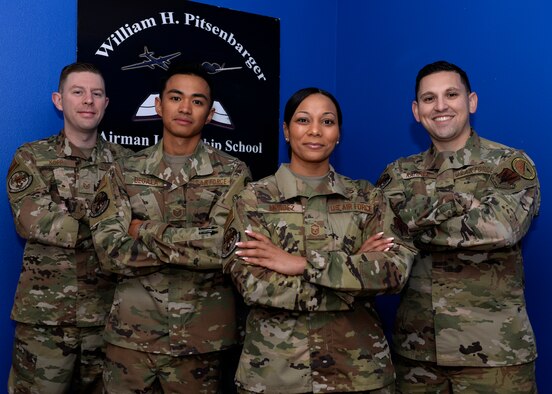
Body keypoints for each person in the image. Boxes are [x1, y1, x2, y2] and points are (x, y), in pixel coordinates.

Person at [223, 87, 416, 393]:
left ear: (338, 133)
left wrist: (299, 264)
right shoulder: (253, 199)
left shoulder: (367, 197)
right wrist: (353, 284)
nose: (315, 130)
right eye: (303, 120)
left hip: (360, 372)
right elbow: (252, 284)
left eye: (327, 122)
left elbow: (394, 272)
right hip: (276, 374)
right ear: (286, 131)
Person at [377, 60, 540, 393]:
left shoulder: (507, 164)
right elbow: (384, 240)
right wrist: (466, 207)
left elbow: (503, 228)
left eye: (451, 94)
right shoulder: (398, 174)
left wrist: (415, 223)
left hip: (496, 354)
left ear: (472, 101)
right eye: (428, 98)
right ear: (416, 110)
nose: (440, 106)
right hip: (417, 356)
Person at [89, 63, 251, 393]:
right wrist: (195, 241)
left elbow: (225, 248)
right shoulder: (124, 171)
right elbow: (109, 251)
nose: (185, 108)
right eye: (176, 97)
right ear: (159, 105)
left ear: (209, 114)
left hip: (202, 338)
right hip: (132, 336)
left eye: (197, 100)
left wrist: (145, 229)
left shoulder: (234, 172)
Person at [6, 62, 132, 393]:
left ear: (106, 103)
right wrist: (111, 224)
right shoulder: (32, 157)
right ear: (59, 100)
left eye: (96, 93)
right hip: (45, 323)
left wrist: (73, 212)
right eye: (78, 92)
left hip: (110, 320)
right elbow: (34, 221)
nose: (88, 100)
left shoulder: (129, 165)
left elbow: (140, 228)